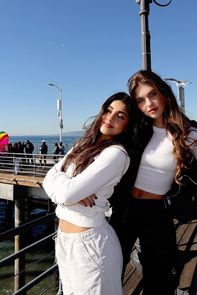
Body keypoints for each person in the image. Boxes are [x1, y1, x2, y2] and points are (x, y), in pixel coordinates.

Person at [108, 70, 197, 295]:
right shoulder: (137, 129)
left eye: (152, 94)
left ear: (163, 93)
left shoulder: (187, 133)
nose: (149, 103)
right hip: (125, 210)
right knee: (108, 271)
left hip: (157, 211)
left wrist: (186, 198)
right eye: (140, 100)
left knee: (159, 279)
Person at [43, 92, 139, 295]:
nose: (110, 118)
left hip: (91, 247)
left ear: (127, 125)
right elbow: (48, 179)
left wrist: (68, 191)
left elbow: (66, 194)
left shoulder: (116, 154)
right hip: (64, 241)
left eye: (120, 116)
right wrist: (69, 186)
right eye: (109, 110)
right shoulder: (83, 145)